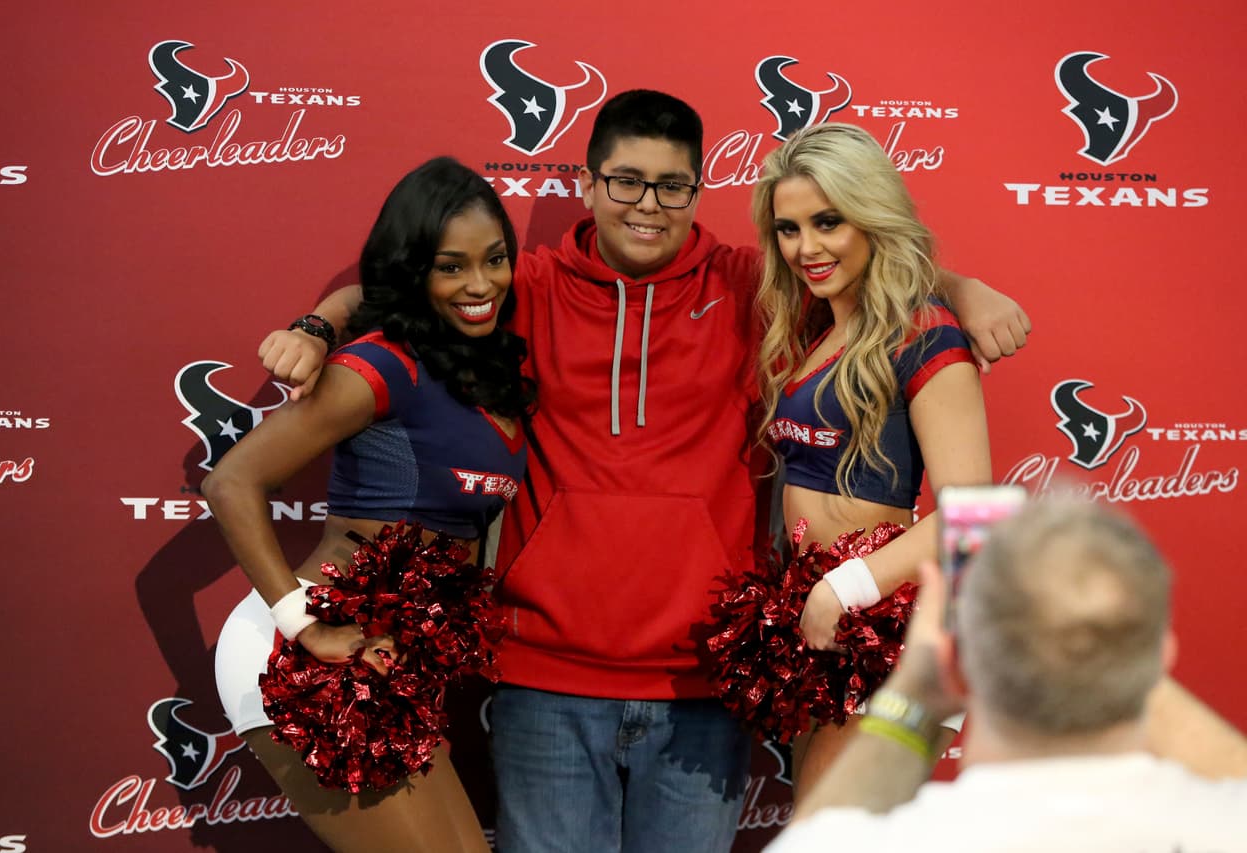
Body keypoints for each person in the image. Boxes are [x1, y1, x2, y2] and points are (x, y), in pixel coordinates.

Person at [257, 91, 1030, 853]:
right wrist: (318, 325)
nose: (647, 204)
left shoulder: (753, 287)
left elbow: (881, 277)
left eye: (672, 185)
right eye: (625, 181)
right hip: (544, 677)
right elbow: (401, 286)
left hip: (706, 682)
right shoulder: (524, 287)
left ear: (698, 190)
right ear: (588, 184)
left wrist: (963, 290)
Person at [203, 157, 535, 852]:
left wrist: (322, 319)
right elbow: (230, 482)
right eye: (451, 267)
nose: (481, 284)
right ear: (415, 271)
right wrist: (305, 627)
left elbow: (359, 295)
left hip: (390, 666)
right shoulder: (381, 365)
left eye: (495, 258)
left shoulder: (476, 359)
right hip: (306, 658)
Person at [769, 497, 1247, 852]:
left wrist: (917, 691)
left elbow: (816, 832)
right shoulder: (1225, 826)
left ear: (958, 655)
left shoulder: (878, 841)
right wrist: (1119, 657)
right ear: (1160, 659)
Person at [742, 122, 989, 800]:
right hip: (833, 631)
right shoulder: (821, 331)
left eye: (828, 221)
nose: (806, 247)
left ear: (871, 214)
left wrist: (845, 588)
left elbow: (975, 517)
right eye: (789, 229)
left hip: (896, 628)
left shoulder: (923, 330)